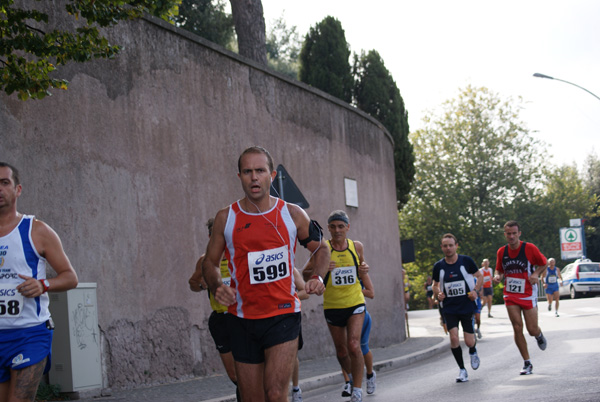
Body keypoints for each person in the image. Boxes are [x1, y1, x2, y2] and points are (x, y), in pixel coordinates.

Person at [201, 147, 330, 402]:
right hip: (241, 318)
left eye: (260, 171)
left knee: (274, 392)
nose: (254, 177)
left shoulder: (292, 214)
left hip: (282, 315)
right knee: (252, 397)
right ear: (239, 176)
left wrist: (317, 277)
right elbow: (210, 263)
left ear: (271, 175)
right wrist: (217, 284)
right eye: (247, 172)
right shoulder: (226, 218)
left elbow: (322, 249)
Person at [0, 162, 79, 402]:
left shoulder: (37, 230)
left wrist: (42, 285)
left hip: (29, 333)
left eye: (4, 183)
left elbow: (70, 277)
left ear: (18, 190)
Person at [188, 219, 240, 402]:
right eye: (215, 233)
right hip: (220, 320)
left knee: (250, 368)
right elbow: (193, 283)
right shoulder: (205, 260)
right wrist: (202, 285)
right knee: (234, 374)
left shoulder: (239, 255)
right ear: (211, 236)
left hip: (242, 317)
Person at [322, 210, 368, 402]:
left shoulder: (356, 247)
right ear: (328, 228)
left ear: (348, 227)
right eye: (333, 226)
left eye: (341, 226)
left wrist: (365, 268)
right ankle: (351, 377)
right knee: (341, 351)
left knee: (354, 345)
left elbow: (362, 268)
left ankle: (357, 388)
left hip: (355, 302)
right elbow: (307, 274)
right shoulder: (322, 249)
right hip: (332, 305)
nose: (337, 230)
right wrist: (323, 269)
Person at [493, 220, 548, 375]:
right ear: (505, 235)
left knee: (531, 329)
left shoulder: (529, 248)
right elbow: (499, 270)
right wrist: (497, 277)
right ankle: (527, 362)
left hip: (528, 292)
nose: (511, 236)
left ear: (519, 234)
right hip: (510, 293)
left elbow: (543, 263)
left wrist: (536, 274)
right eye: (508, 234)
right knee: (517, 327)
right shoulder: (501, 252)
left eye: (514, 233)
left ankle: (538, 335)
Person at [432, 233, 483, 383]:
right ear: (442, 247)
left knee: (468, 341)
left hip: (466, 305)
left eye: (450, 245)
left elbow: (479, 276)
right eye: (445, 246)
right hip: (449, 307)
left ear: (456, 246)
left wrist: (475, 291)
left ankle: (473, 351)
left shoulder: (466, 261)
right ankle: (462, 370)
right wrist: (438, 293)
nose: (448, 248)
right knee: (453, 338)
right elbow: (435, 285)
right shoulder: (439, 266)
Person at [341, 260, 376, 395]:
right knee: (343, 350)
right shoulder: (332, 268)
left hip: (360, 315)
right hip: (339, 312)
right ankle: (349, 382)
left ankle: (370, 375)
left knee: (361, 348)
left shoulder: (359, 269)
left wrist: (354, 289)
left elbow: (371, 293)